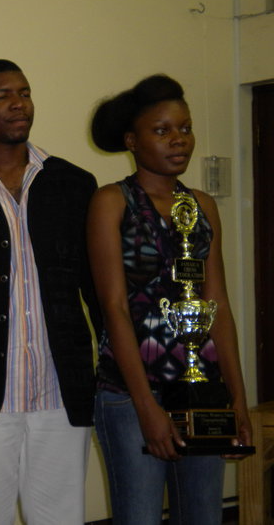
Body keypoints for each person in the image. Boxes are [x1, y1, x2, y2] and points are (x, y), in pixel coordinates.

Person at [0, 59, 101, 525]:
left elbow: (94, 288)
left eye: (24, 92)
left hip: (59, 392)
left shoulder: (73, 184)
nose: (18, 104)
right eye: (3, 95)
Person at [87, 74, 252, 525]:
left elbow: (217, 304)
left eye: (185, 127)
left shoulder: (201, 206)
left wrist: (236, 399)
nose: (178, 140)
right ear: (132, 141)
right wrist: (147, 408)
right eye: (162, 131)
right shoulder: (111, 203)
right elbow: (115, 309)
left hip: (202, 392)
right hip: (130, 395)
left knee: (203, 517)